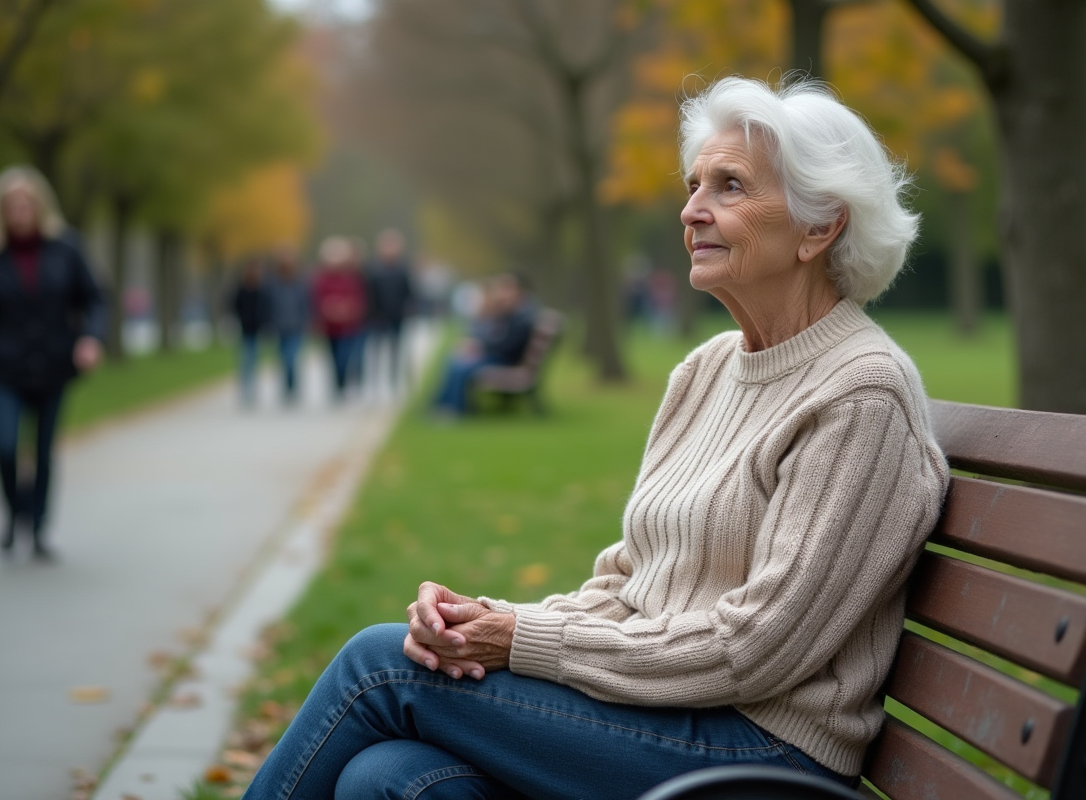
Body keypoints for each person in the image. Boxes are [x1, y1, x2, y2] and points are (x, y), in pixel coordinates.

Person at [242, 76, 950, 799]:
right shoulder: (707, 371)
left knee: (380, 666)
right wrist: (492, 620)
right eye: (694, 184)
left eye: (728, 187)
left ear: (820, 225)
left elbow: (754, 650)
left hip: (762, 757)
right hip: (673, 715)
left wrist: (521, 643)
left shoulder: (860, 393)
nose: (691, 210)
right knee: (389, 778)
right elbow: (627, 583)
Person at [0, 166, 103, 560]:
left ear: (40, 206)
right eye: (12, 205)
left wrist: (91, 339)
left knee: (43, 451)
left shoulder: (66, 248)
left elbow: (94, 297)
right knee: (6, 446)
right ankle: (17, 512)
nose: (20, 212)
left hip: (53, 363)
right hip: (6, 367)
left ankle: (39, 530)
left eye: (26, 204)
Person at [431, 272, 534, 417]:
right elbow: (492, 333)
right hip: (497, 355)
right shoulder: (511, 310)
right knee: (455, 360)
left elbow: (508, 346)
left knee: (462, 367)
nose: (503, 293)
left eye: (507, 288)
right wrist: (476, 344)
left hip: (506, 360)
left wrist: (480, 347)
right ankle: (442, 405)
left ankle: (456, 409)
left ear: (520, 291)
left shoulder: (523, 316)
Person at [311, 236, 367, 402]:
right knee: (333, 357)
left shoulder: (351, 277)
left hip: (348, 325)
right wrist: (327, 309)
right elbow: (316, 299)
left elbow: (358, 299)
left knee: (345, 357)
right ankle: (337, 385)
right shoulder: (320, 278)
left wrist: (346, 309)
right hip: (329, 326)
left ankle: (342, 384)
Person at [365, 228, 415, 395]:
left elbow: (409, 292)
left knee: (396, 350)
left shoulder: (403, 268)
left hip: (397, 315)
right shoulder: (374, 269)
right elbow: (368, 292)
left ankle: (394, 381)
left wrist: (408, 308)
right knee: (376, 350)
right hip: (378, 316)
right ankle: (374, 383)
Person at [268, 246, 310, 405]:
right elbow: (268, 305)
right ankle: (287, 387)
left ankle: (292, 387)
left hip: (296, 327)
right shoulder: (273, 283)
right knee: (283, 360)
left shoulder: (300, 282)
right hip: (279, 327)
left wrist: (306, 321)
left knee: (292, 358)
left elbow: (306, 304)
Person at [230, 260, 271, 406]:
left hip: (258, 329)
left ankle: (252, 390)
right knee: (246, 359)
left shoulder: (262, 290)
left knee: (253, 360)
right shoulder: (241, 289)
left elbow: (266, 308)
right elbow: (234, 306)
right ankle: (246, 390)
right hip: (245, 329)